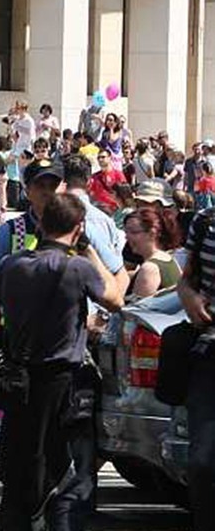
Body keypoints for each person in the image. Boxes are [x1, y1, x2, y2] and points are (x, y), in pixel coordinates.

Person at [0, 194, 123, 530]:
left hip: (18, 378)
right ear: (78, 228)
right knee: (62, 474)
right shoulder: (78, 267)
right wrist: (88, 250)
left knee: (18, 469)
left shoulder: (13, 264)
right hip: (61, 382)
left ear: (41, 225)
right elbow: (115, 298)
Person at [177, 201, 215, 530]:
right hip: (209, 352)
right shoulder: (204, 221)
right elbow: (186, 279)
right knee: (202, 462)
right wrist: (189, 296)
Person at [123, 207, 182, 299]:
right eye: (126, 232)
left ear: (152, 233)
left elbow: (137, 308)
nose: (126, 237)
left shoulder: (149, 268)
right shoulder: (169, 258)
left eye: (133, 232)